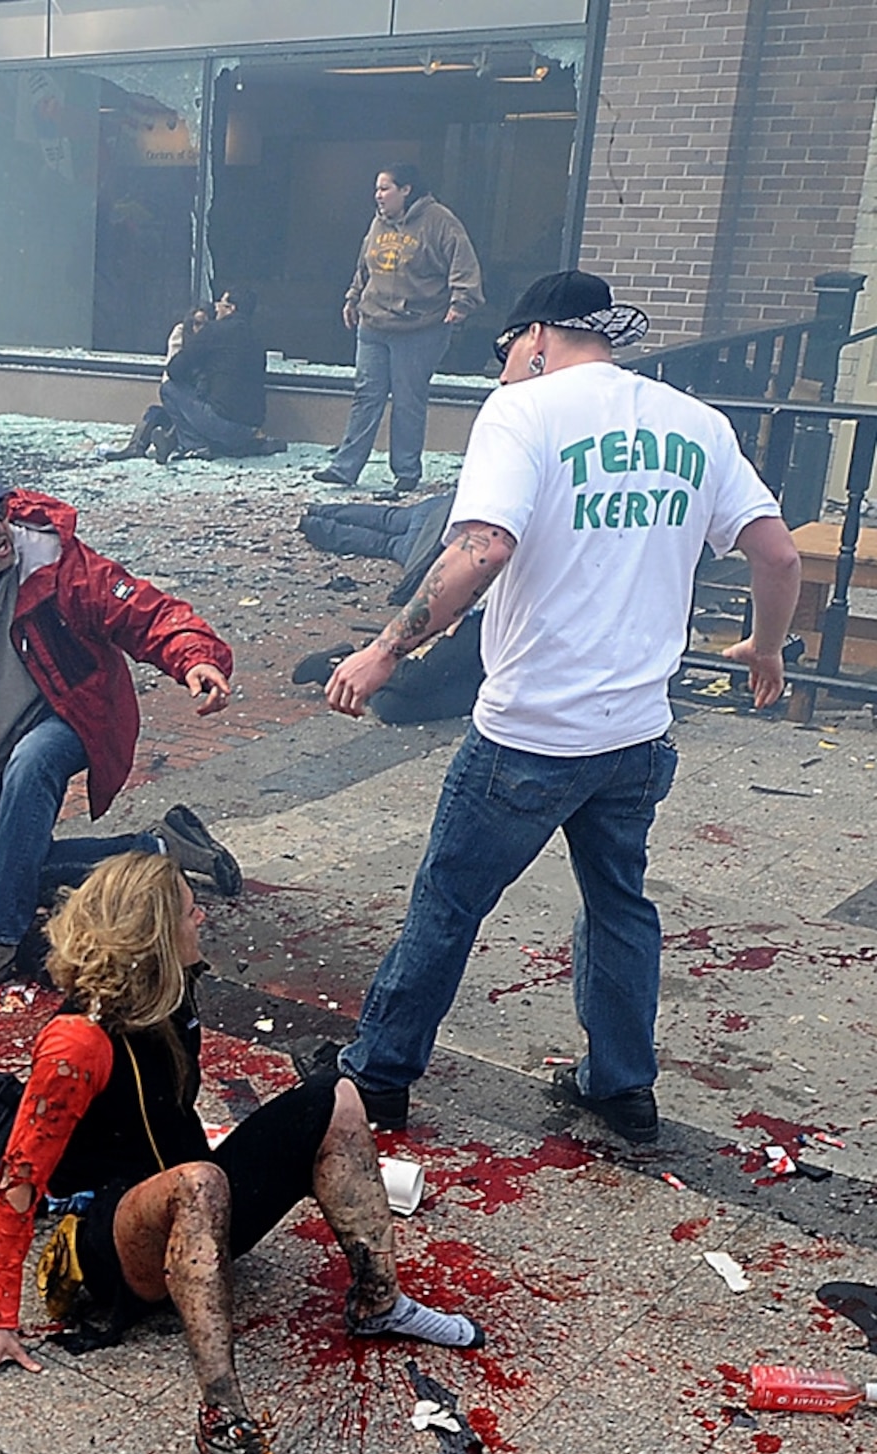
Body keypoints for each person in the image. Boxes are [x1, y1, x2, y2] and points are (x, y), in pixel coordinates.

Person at [325, 270, 801, 1141]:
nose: (502, 368)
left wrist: (385, 649)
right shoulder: (696, 423)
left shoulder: (522, 414)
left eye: (506, 349)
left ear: (537, 334)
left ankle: (378, 1074)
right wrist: (766, 647)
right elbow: (777, 554)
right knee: (619, 903)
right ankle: (623, 1088)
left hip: (530, 733)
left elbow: (482, 547)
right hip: (637, 733)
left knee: (448, 899)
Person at [0, 854, 485, 1454]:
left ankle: (378, 1301)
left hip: (201, 1202)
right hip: (108, 1250)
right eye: (189, 912)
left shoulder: (172, 990)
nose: (202, 918)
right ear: (154, 933)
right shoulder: (75, 1041)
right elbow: (18, 1183)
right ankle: (223, 1425)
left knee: (337, 1095)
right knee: (200, 1180)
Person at [0, 461, 239, 1006]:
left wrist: (194, 658)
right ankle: (160, 849)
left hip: (76, 714)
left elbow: (143, 610)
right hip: (4, 740)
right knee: (19, 863)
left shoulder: (55, 561)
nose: (0, 528)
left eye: (1, 512)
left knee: (31, 766)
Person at [317, 166, 482, 494]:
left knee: (408, 399)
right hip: (374, 322)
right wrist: (352, 298)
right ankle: (345, 468)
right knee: (366, 394)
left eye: (384, 188)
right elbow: (365, 266)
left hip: (420, 326)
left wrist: (461, 303)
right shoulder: (378, 223)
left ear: (406, 190)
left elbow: (463, 262)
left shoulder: (439, 221)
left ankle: (406, 471)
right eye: (376, 189)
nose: (378, 195)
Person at [294, 494, 483, 725]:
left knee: (389, 520)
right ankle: (344, 665)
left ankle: (318, 512)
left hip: (443, 512)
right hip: (438, 545)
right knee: (386, 540)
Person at [110, 286, 273, 463]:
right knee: (158, 412)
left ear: (231, 308)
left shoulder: (215, 331)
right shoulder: (257, 338)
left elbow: (174, 370)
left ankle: (193, 446)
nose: (217, 307)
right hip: (252, 428)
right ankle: (144, 445)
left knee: (169, 389)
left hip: (223, 423)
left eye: (221, 303)